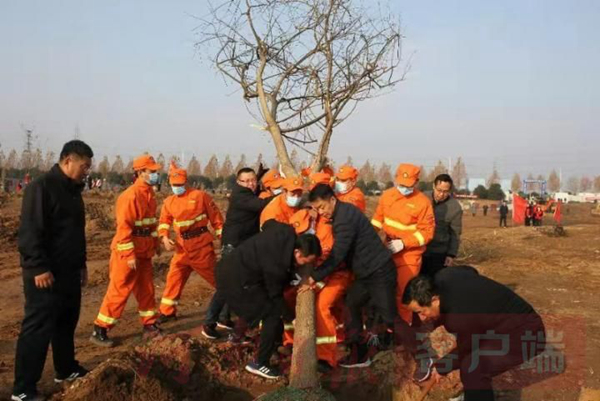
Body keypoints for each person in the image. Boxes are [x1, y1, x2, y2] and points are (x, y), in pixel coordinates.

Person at [13, 140, 94, 401]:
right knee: (38, 328)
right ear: (68, 160)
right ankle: (23, 389)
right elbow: (30, 231)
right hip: (44, 274)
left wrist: (81, 264)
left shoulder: (73, 192)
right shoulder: (42, 187)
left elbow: (75, 233)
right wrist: (37, 266)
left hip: (69, 272)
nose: (87, 171)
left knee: (65, 323)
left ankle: (66, 369)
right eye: (84, 166)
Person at [403, 266, 546, 401]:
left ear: (434, 300)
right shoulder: (446, 275)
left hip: (527, 334)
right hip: (499, 326)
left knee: (473, 367)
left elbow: (466, 349)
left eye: (421, 312)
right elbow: (471, 271)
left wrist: (441, 368)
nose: (421, 318)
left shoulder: (461, 317)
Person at [308, 184, 399, 368]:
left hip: (379, 271)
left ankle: (407, 356)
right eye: (316, 209)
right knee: (352, 303)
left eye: (322, 207)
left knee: (389, 316)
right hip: (366, 273)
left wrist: (314, 276)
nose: (320, 212)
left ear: (332, 200)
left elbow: (338, 254)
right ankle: (360, 353)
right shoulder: (341, 213)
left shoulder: (344, 220)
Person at [216, 221, 321, 379]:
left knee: (264, 307)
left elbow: (267, 223)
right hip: (235, 281)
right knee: (271, 314)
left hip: (232, 265)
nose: (306, 265)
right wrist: (291, 318)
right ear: (297, 253)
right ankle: (260, 363)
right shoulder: (276, 265)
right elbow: (275, 295)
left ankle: (271, 344)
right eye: (306, 262)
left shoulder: (286, 231)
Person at [90, 154, 162, 347]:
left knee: (146, 288)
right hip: (127, 253)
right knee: (119, 289)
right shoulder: (130, 196)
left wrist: (156, 244)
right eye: (152, 171)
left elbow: (150, 223)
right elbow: (124, 228)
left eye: (156, 171)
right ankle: (100, 328)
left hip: (144, 250)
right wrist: (129, 254)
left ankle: (150, 324)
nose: (156, 174)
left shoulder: (149, 194)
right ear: (140, 172)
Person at [205, 167, 275, 340]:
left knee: (234, 283)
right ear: (239, 182)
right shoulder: (240, 196)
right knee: (228, 284)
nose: (251, 183)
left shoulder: (247, 191)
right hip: (234, 246)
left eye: (253, 180)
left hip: (242, 244)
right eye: (247, 181)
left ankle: (223, 317)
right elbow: (262, 204)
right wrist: (285, 195)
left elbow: (256, 192)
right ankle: (209, 323)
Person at [155, 164, 225, 332]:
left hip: (201, 246)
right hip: (181, 248)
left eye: (180, 184)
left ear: (186, 182)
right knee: (174, 278)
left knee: (217, 279)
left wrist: (225, 239)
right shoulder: (169, 202)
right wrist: (164, 237)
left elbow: (216, 220)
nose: (177, 188)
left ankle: (232, 305)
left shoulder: (201, 196)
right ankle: (167, 311)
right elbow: (164, 221)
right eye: (174, 185)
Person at [283, 208, 353, 371]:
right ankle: (289, 340)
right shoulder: (300, 219)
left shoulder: (330, 228)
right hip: (317, 272)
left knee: (322, 306)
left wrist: (315, 284)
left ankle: (326, 357)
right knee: (288, 295)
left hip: (337, 273)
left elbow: (331, 263)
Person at [371, 164, 435, 324]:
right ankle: (385, 328)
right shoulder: (387, 196)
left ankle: (403, 332)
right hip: (387, 250)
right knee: (383, 291)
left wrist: (404, 243)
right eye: (401, 184)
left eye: (408, 186)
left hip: (409, 255)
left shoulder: (423, 203)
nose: (404, 188)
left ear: (416, 182)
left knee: (404, 294)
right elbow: (377, 220)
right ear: (395, 179)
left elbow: (427, 232)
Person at [422, 174, 463, 278]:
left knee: (436, 283)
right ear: (433, 186)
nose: (441, 194)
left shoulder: (455, 207)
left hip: (438, 253)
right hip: (418, 249)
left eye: (445, 191)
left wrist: (451, 254)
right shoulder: (421, 198)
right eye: (439, 190)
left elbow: (455, 233)